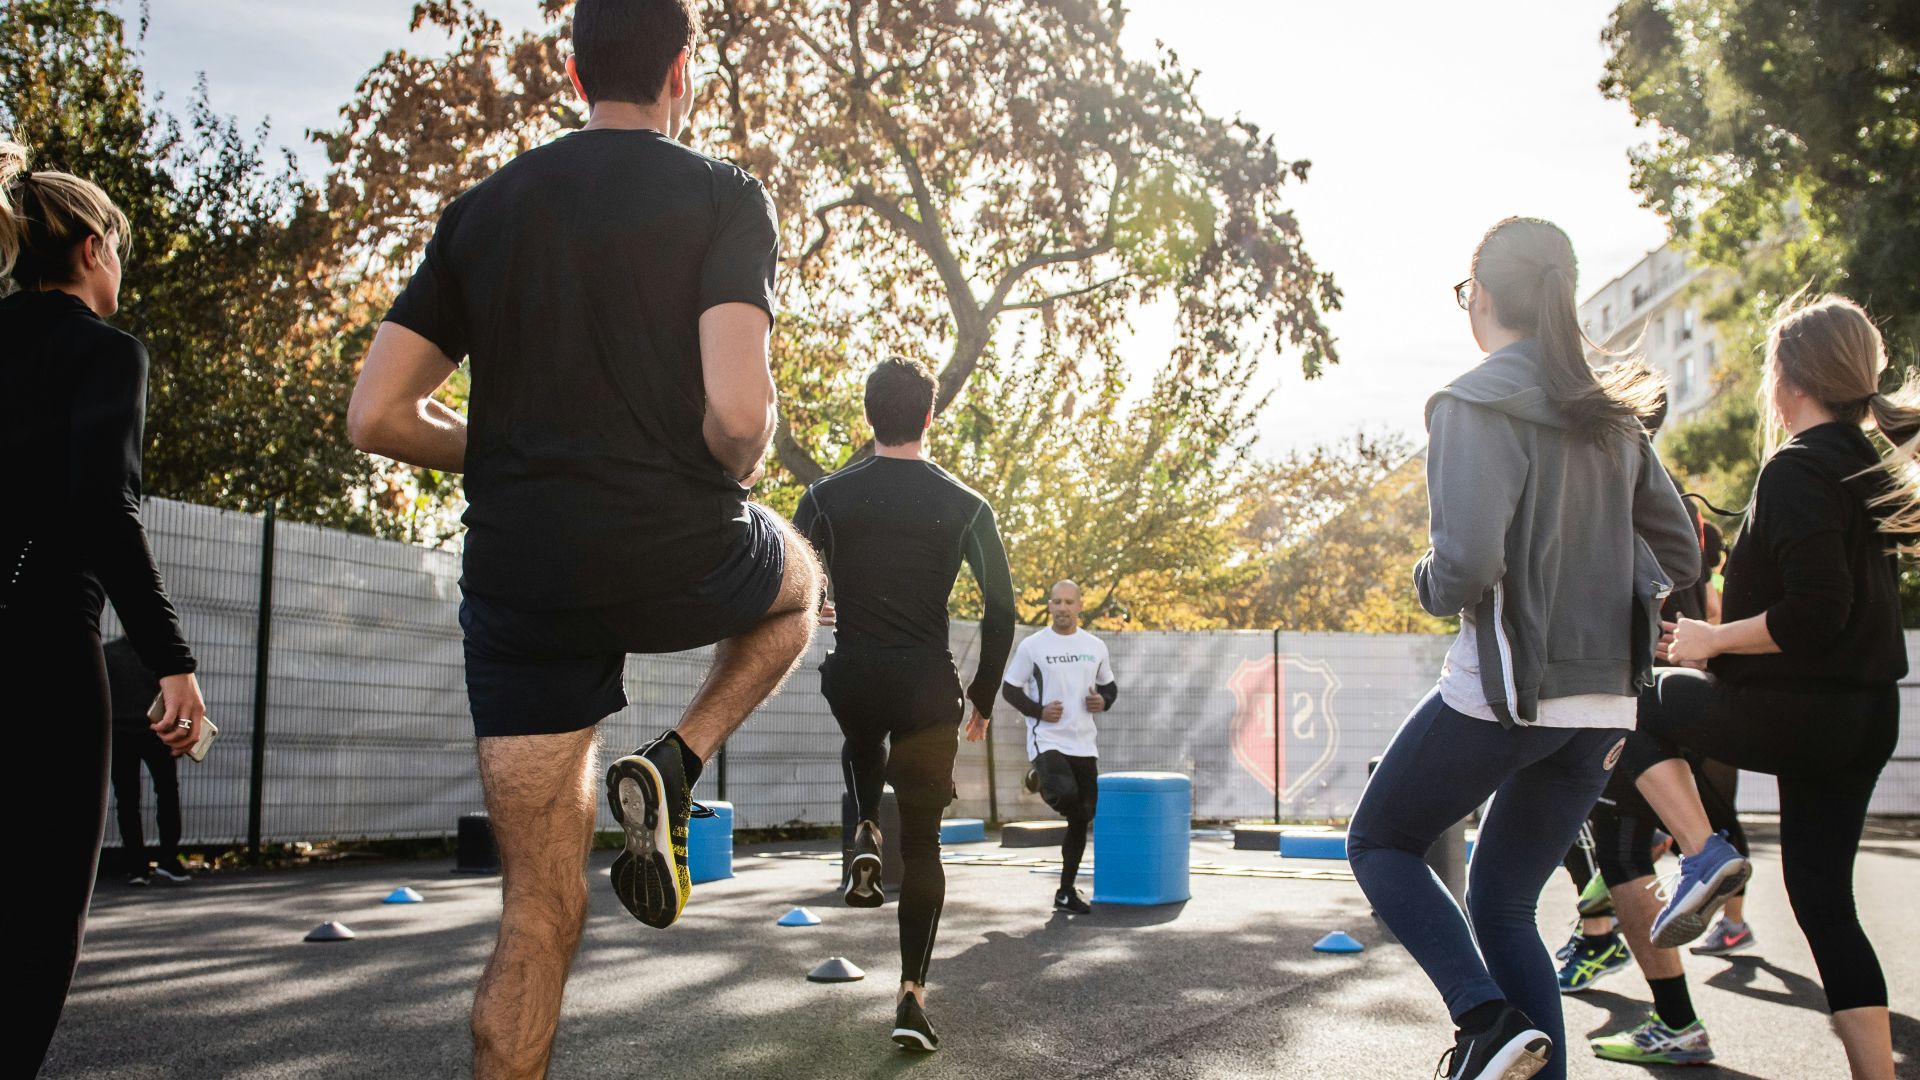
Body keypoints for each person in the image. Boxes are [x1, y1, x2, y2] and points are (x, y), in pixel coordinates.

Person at [346, 3, 820, 1075]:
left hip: (523, 585)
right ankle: (679, 757)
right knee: (799, 589)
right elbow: (740, 422)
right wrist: (723, 465)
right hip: (675, 545)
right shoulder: (722, 196)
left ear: (573, 73)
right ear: (681, 73)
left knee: (533, 918)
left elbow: (376, 414)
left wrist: (515, 449)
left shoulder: (482, 211)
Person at [1344, 217, 1698, 1080]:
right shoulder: (1612, 418)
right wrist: (1607, 575)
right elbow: (1682, 553)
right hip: (1607, 704)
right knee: (1503, 905)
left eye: (1467, 295)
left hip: (1508, 696)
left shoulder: (1472, 401)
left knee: (1380, 842)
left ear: (1488, 298)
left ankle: (1482, 1017)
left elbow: (1464, 566)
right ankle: (1509, 1037)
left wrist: (1426, 582)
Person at [1597, 295, 1911, 1080]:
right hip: (1864, 717)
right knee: (1822, 902)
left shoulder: (1802, 466)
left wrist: (1709, 640)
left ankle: (1704, 854)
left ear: (1788, 379)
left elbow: (1814, 614)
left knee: (1628, 701)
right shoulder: (1868, 467)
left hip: (1802, 714)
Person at [0, 142, 206, 1076]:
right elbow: (102, 510)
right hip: (40, 647)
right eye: (119, 248)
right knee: (40, 918)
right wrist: (172, 661)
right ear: (91, 249)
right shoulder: (106, 353)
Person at [792, 356, 1017, 1053]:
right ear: (929, 416)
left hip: (855, 674)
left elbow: (790, 575)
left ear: (868, 414)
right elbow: (1003, 610)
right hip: (927, 687)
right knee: (923, 848)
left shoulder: (826, 496)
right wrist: (982, 695)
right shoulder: (967, 504)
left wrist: (822, 601)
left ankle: (863, 824)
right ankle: (911, 997)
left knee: (861, 731)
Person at [1001, 580, 1117, 915]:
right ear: (1049, 606)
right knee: (1065, 796)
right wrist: (1038, 711)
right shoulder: (1033, 646)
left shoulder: (1095, 646)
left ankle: (1065, 892)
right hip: (1047, 739)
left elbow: (1110, 687)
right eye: (1056, 602)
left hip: (1084, 742)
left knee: (1083, 815)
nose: (1063, 608)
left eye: (1069, 602)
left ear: (1080, 605)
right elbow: (1010, 690)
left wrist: (1102, 701)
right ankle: (1041, 774)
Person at [104, 636, 191, 885]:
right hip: (157, 733)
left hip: (120, 733)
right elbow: (177, 698)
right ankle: (169, 859)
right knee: (167, 793)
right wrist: (183, 730)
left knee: (128, 800)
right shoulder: (161, 655)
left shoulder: (108, 654)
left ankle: (137, 866)